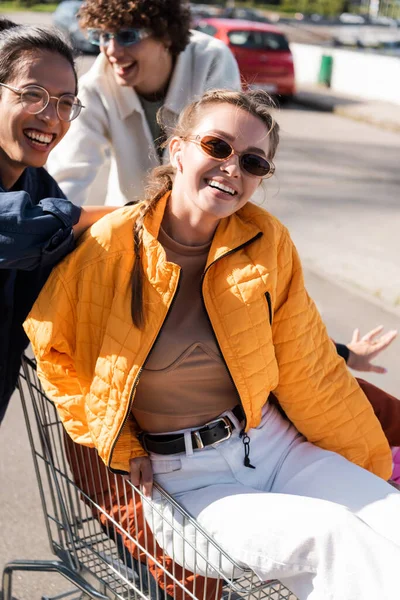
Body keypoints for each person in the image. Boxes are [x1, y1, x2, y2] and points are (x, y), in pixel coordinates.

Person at [25, 88, 400, 600]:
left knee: (391, 520)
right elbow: (54, 352)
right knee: (332, 539)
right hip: (187, 484)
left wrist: (362, 447)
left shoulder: (267, 242)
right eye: (217, 147)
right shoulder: (108, 249)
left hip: (272, 446)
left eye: (252, 161)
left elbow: (305, 360)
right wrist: (123, 444)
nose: (232, 168)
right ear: (178, 150)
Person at [0, 18, 115, 424]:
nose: (53, 117)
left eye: (66, 102)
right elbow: (17, 229)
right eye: (34, 95)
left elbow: (83, 254)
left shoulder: (36, 180)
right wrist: (128, 212)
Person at [47, 0, 242, 207]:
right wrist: (55, 227)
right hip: (130, 223)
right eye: (103, 36)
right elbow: (69, 175)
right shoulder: (96, 85)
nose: (112, 51)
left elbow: (224, 152)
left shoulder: (211, 59)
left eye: (127, 36)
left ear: (165, 35)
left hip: (204, 222)